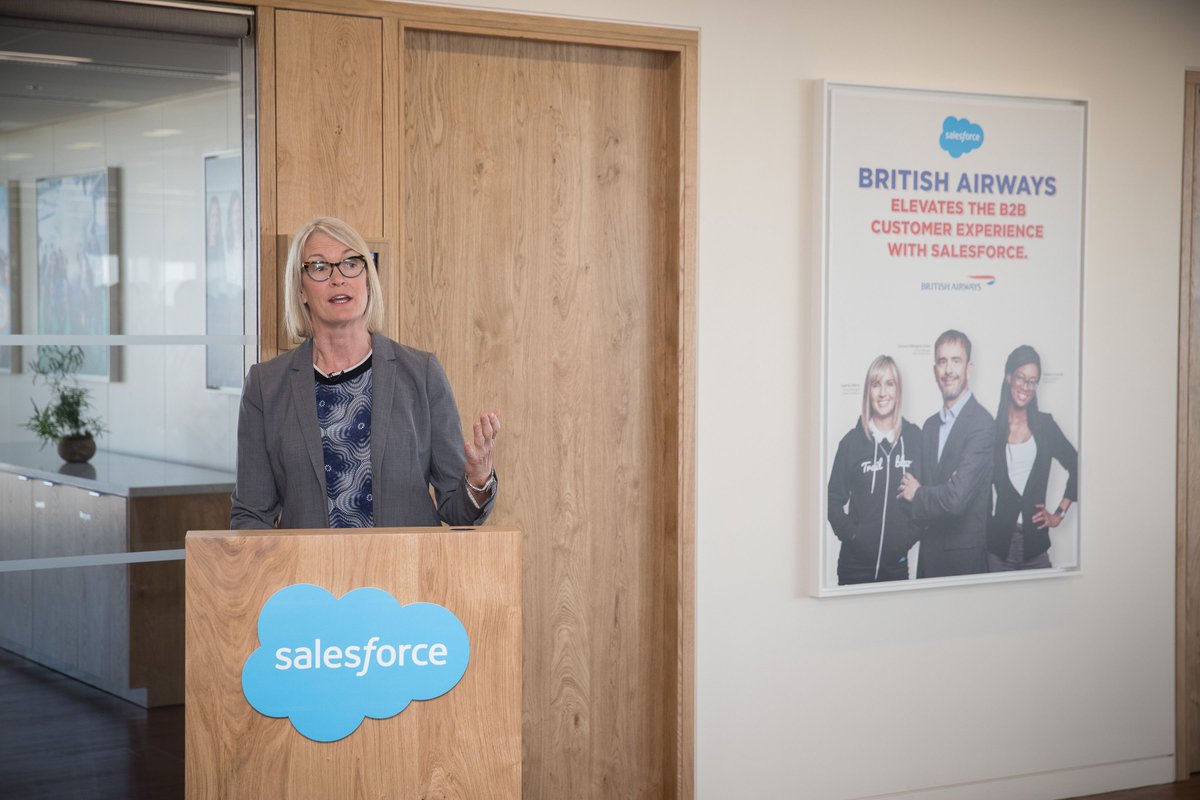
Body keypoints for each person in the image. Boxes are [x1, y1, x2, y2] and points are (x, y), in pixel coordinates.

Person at [230, 216, 499, 530]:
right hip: (311, 576)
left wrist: (478, 479)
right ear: (300, 289)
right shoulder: (266, 385)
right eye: (319, 267)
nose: (338, 278)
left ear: (368, 280)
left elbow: (457, 510)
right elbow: (250, 515)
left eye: (351, 263)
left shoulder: (421, 373)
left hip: (404, 573)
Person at [897, 329, 993, 578]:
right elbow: (908, 494)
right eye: (942, 361)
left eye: (956, 361)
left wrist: (919, 493)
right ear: (935, 371)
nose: (948, 370)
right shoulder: (929, 427)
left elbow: (955, 499)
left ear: (969, 368)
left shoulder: (982, 424)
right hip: (929, 561)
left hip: (964, 565)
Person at [827, 355, 924, 584]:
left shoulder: (914, 439)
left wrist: (906, 539)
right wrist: (854, 536)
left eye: (890, 384)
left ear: (898, 390)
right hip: (854, 569)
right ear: (867, 392)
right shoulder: (851, 443)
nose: (883, 393)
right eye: (876, 384)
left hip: (896, 570)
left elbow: (926, 497)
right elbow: (831, 501)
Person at [986, 345, 1078, 571]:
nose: (1026, 387)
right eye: (1021, 378)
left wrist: (1059, 513)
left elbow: (1077, 465)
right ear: (1009, 377)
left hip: (1035, 547)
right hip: (998, 549)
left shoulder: (1045, 426)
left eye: (1032, 381)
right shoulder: (991, 430)